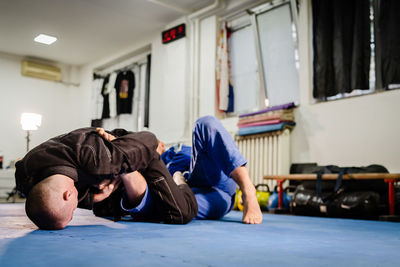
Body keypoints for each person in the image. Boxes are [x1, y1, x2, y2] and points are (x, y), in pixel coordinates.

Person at [15, 128, 198, 230]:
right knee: (103, 209)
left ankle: (180, 179)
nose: (73, 216)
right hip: (106, 167)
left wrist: (122, 156)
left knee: (180, 213)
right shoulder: (25, 176)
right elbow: (48, 195)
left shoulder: (98, 159)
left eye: (70, 217)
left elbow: (149, 138)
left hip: (128, 148)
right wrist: (91, 198)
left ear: (67, 194)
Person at [98, 116, 263, 224]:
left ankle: (248, 190)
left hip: (213, 178)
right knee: (162, 206)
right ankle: (124, 163)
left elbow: (208, 144)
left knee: (205, 123)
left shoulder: (180, 152)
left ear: (160, 144)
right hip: (204, 199)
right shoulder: (146, 170)